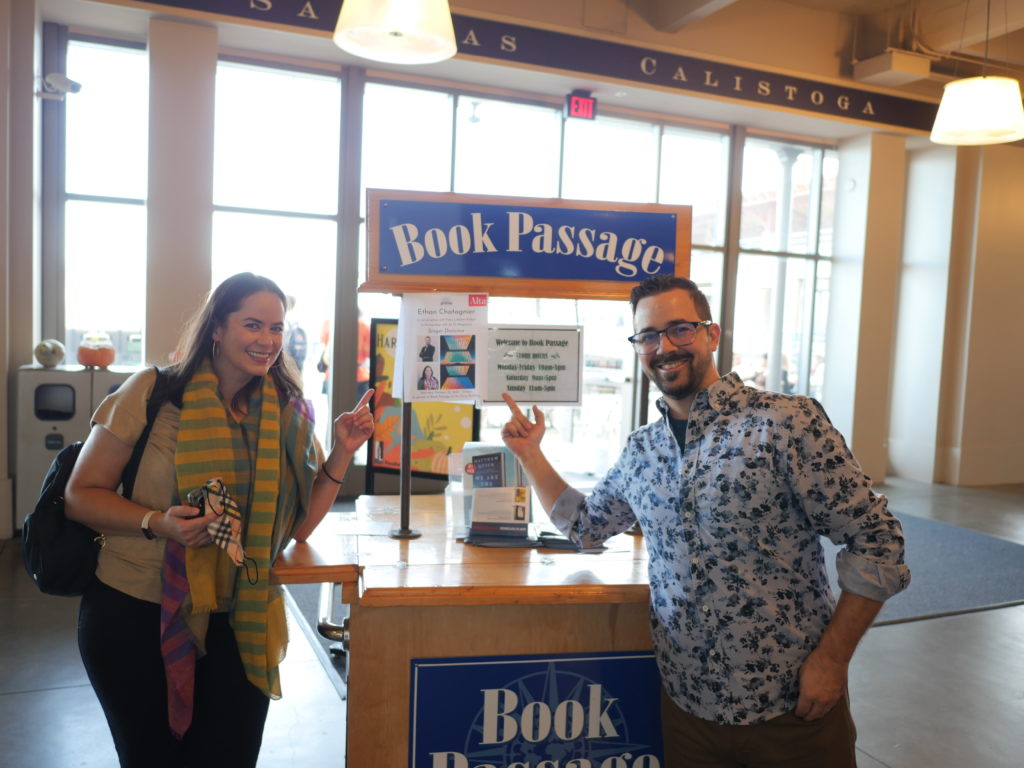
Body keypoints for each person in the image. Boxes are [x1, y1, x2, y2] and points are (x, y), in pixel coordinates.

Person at [500, 274, 910, 768]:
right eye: (648, 336)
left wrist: (833, 660)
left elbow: (877, 540)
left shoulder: (784, 423)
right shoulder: (642, 451)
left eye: (680, 329)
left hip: (791, 708)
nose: (664, 347)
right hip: (689, 709)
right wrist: (529, 454)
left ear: (711, 335)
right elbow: (586, 526)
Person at [66, 272, 375, 768]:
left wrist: (342, 451)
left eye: (276, 328)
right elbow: (79, 496)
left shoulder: (288, 412)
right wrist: (158, 522)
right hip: (135, 613)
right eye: (252, 325)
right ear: (216, 328)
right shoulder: (153, 393)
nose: (267, 340)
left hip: (239, 615)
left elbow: (298, 528)